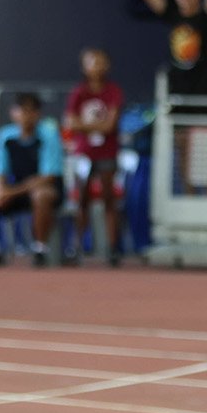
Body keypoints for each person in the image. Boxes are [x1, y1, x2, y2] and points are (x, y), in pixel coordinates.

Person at [0, 92, 64, 268]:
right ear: (13, 113)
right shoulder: (5, 136)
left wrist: (10, 192)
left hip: (47, 190)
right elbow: (0, 172)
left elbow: (47, 177)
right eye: (22, 111)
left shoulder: (49, 135)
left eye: (31, 111)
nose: (26, 116)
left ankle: (40, 249)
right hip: (16, 190)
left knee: (41, 195)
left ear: (38, 114)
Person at [66, 47, 125, 266]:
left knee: (110, 199)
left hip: (107, 153)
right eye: (92, 62)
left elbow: (111, 125)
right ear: (84, 67)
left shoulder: (113, 91)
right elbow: (71, 122)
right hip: (84, 154)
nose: (96, 66)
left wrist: (86, 125)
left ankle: (112, 249)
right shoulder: (79, 92)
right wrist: (97, 126)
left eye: (101, 62)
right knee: (81, 199)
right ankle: (76, 247)